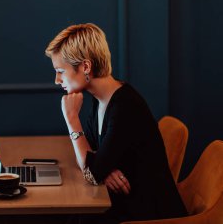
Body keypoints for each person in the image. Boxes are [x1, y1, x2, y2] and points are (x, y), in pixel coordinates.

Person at [45, 23, 187, 223]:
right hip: (124, 201)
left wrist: (72, 120)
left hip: (147, 213)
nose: (57, 80)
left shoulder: (125, 106)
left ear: (86, 67)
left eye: (60, 71)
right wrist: (104, 168)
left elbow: (91, 171)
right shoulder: (102, 98)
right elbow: (90, 156)